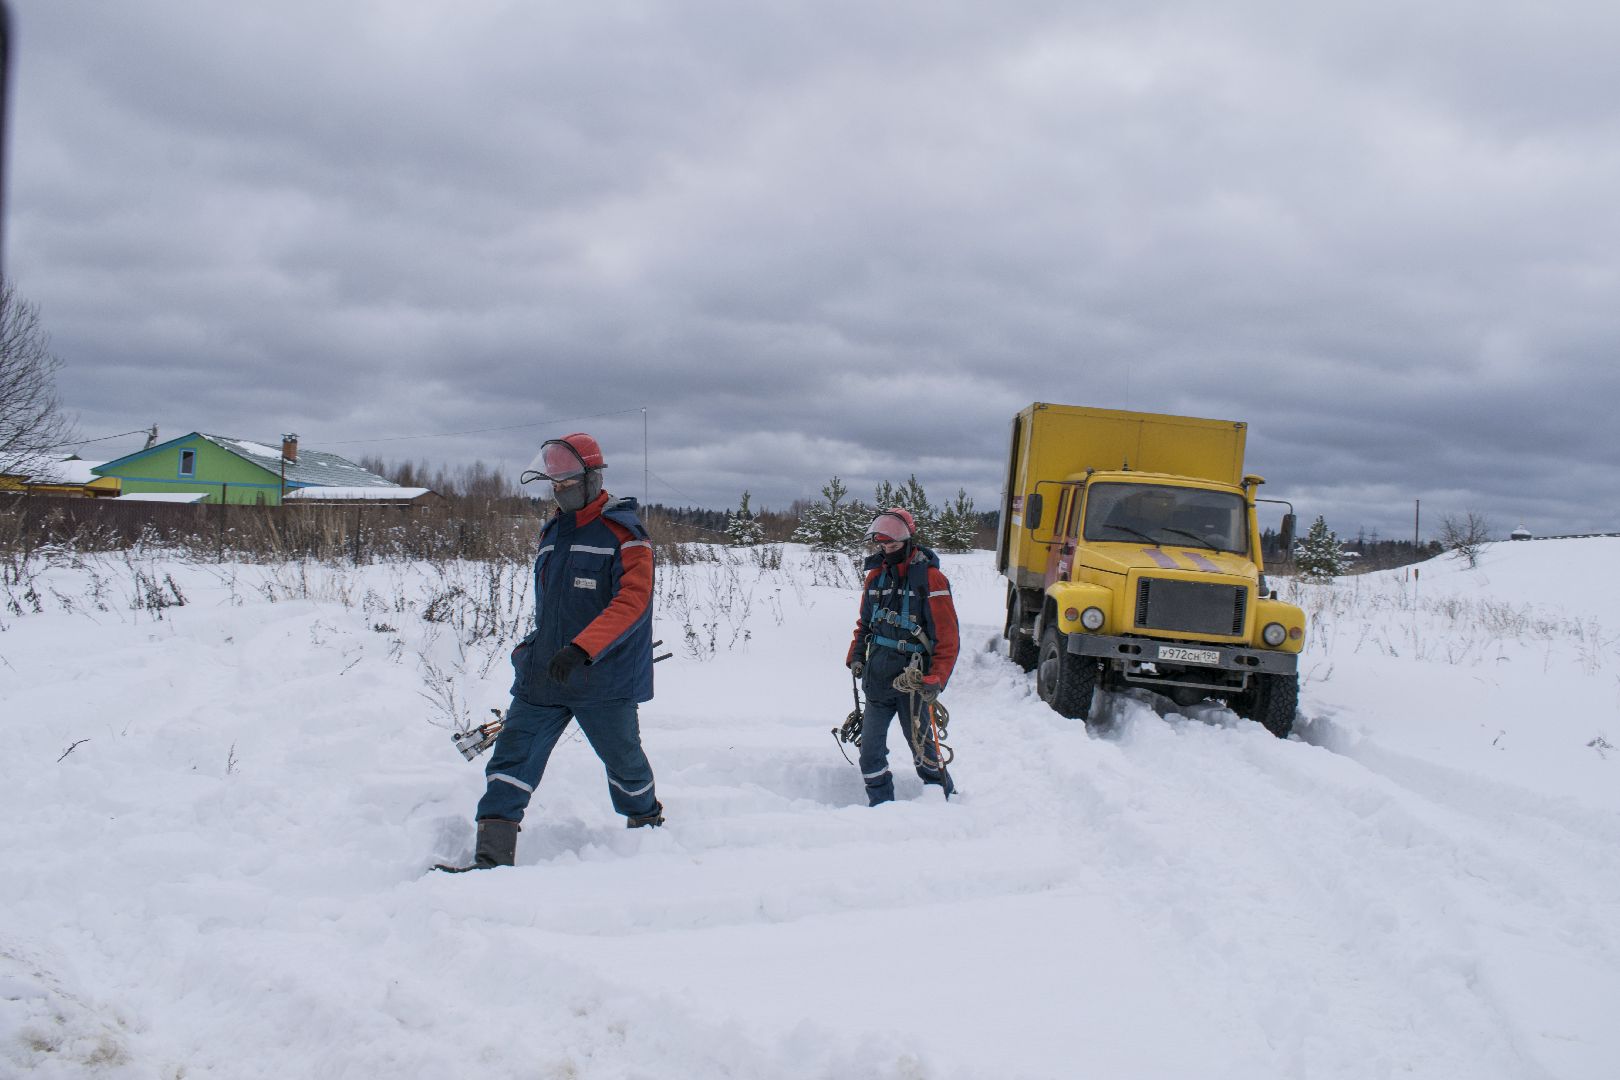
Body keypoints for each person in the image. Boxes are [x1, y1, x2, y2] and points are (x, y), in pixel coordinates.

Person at [437, 432, 662, 872]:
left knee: (624, 762)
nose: (558, 491)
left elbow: (632, 602)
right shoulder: (553, 530)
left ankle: (650, 839)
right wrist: (533, 648)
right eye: (554, 484)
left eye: (567, 483)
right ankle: (491, 862)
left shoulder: (626, 535)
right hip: (546, 673)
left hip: (604, 678)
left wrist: (583, 648)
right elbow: (554, 604)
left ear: (593, 479)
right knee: (511, 759)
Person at [845, 507, 961, 805]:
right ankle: (882, 807)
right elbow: (865, 625)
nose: (887, 550)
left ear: (909, 541)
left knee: (924, 752)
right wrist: (856, 654)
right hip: (878, 681)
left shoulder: (931, 580)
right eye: (882, 545)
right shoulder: (875, 579)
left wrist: (937, 677)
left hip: (913, 684)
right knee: (870, 753)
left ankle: (945, 803)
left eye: (893, 545)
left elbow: (947, 638)